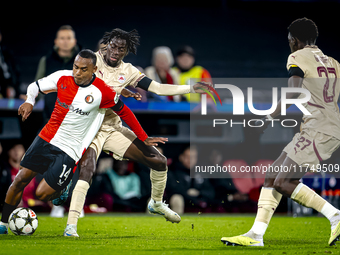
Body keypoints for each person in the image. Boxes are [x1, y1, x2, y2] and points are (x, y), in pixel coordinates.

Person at [63, 28, 212, 237]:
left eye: (121, 49)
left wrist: (190, 89)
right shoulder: (91, 60)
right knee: (87, 169)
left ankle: (156, 203)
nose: (115, 51)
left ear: (126, 51)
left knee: (159, 161)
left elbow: (158, 88)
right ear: (106, 45)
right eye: (113, 46)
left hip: (112, 127)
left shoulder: (129, 70)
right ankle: (71, 225)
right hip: (88, 127)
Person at [0, 49, 159, 235]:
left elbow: (125, 112)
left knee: (41, 194)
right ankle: (3, 223)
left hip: (70, 149)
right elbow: (35, 86)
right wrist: (30, 101)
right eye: (75, 67)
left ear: (94, 69)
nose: (77, 72)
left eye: (83, 69)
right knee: (20, 179)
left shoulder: (102, 91)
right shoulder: (62, 77)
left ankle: (62, 188)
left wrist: (143, 137)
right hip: (46, 138)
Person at [221, 18, 340, 247]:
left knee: (283, 181)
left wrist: (268, 117)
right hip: (325, 127)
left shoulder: (297, 57)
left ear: (294, 39)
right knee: (272, 176)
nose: (289, 44)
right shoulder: (334, 63)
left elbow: (293, 93)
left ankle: (335, 215)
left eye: (289, 39)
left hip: (318, 129)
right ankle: (256, 235)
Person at [35, 25, 80, 124]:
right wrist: (30, 97)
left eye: (68, 38)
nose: (65, 41)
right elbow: (38, 86)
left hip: (76, 120)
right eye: (62, 38)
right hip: (50, 119)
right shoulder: (46, 61)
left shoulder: (84, 61)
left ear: (74, 41)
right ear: (56, 41)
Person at [166, 146, 215, 214]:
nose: (190, 160)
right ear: (181, 157)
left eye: (193, 157)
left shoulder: (202, 172)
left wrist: (199, 193)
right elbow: (173, 190)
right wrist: (190, 196)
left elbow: (210, 191)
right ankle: (177, 224)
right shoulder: (173, 171)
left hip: (199, 201)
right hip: (183, 202)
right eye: (187, 157)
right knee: (177, 198)